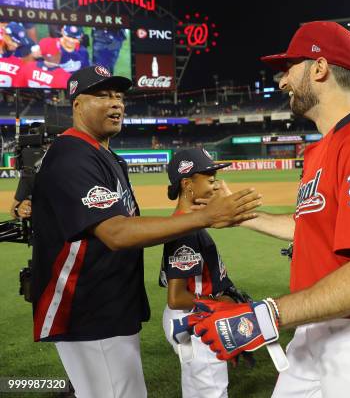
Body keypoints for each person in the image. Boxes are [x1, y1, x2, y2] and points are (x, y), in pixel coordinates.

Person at [178, 21, 350, 397]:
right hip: (316, 322)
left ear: (318, 69)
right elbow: (314, 229)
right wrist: (243, 214)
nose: (282, 81)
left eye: (289, 68)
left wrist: (263, 317)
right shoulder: (322, 147)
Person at [30, 65, 261, 398]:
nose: (116, 104)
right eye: (103, 95)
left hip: (109, 305)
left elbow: (129, 229)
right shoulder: (72, 155)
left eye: (119, 96)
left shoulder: (104, 155)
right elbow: (117, 233)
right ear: (76, 104)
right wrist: (204, 217)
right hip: (86, 310)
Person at [160, 148, 256, 397]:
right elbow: (177, 297)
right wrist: (223, 307)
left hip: (194, 317)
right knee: (210, 391)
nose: (217, 186)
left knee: (197, 389)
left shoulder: (189, 223)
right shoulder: (186, 232)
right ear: (188, 184)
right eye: (211, 180)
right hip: (195, 320)